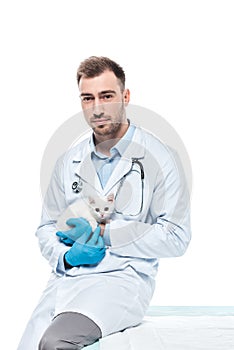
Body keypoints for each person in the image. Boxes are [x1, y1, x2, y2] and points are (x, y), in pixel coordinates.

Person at [17, 56, 191, 350]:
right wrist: (67, 257)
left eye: (106, 96)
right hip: (66, 279)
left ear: (125, 97)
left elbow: (176, 238)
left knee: (56, 342)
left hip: (121, 280)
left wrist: (107, 233)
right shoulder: (67, 161)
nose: (96, 107)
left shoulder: (162, 157)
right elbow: (46, 227)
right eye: (88, 98)